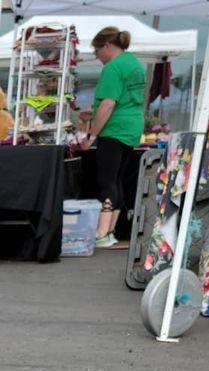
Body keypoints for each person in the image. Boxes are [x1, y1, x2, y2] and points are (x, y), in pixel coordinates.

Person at [82, 27, 146, 249]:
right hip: (131, 127)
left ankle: (101, 232)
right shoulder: (135, 64)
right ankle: (110, 232)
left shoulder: (112, 68)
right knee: (117, 179)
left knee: (107, 180)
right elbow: (126, 99)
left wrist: (91, 134)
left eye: (97, 51)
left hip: (114, 129)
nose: (96, 56)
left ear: (107, 46)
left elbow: (108, 103)